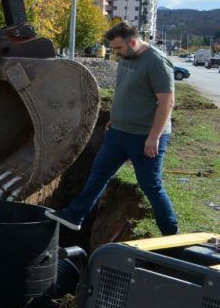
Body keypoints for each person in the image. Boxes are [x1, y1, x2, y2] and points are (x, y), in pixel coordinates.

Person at [45, 21, 178, 235]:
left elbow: (167, 102)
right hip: (118, 133)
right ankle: (74, 215)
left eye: (118, 48)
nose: (114, 53)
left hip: (145, 136)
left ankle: (171, 233)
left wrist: (154, 137)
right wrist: (115, 119)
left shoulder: (156, 63)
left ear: (133, 42)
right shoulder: (126, 58)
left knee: (150, 185)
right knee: (98, 173)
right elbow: (124, 91)